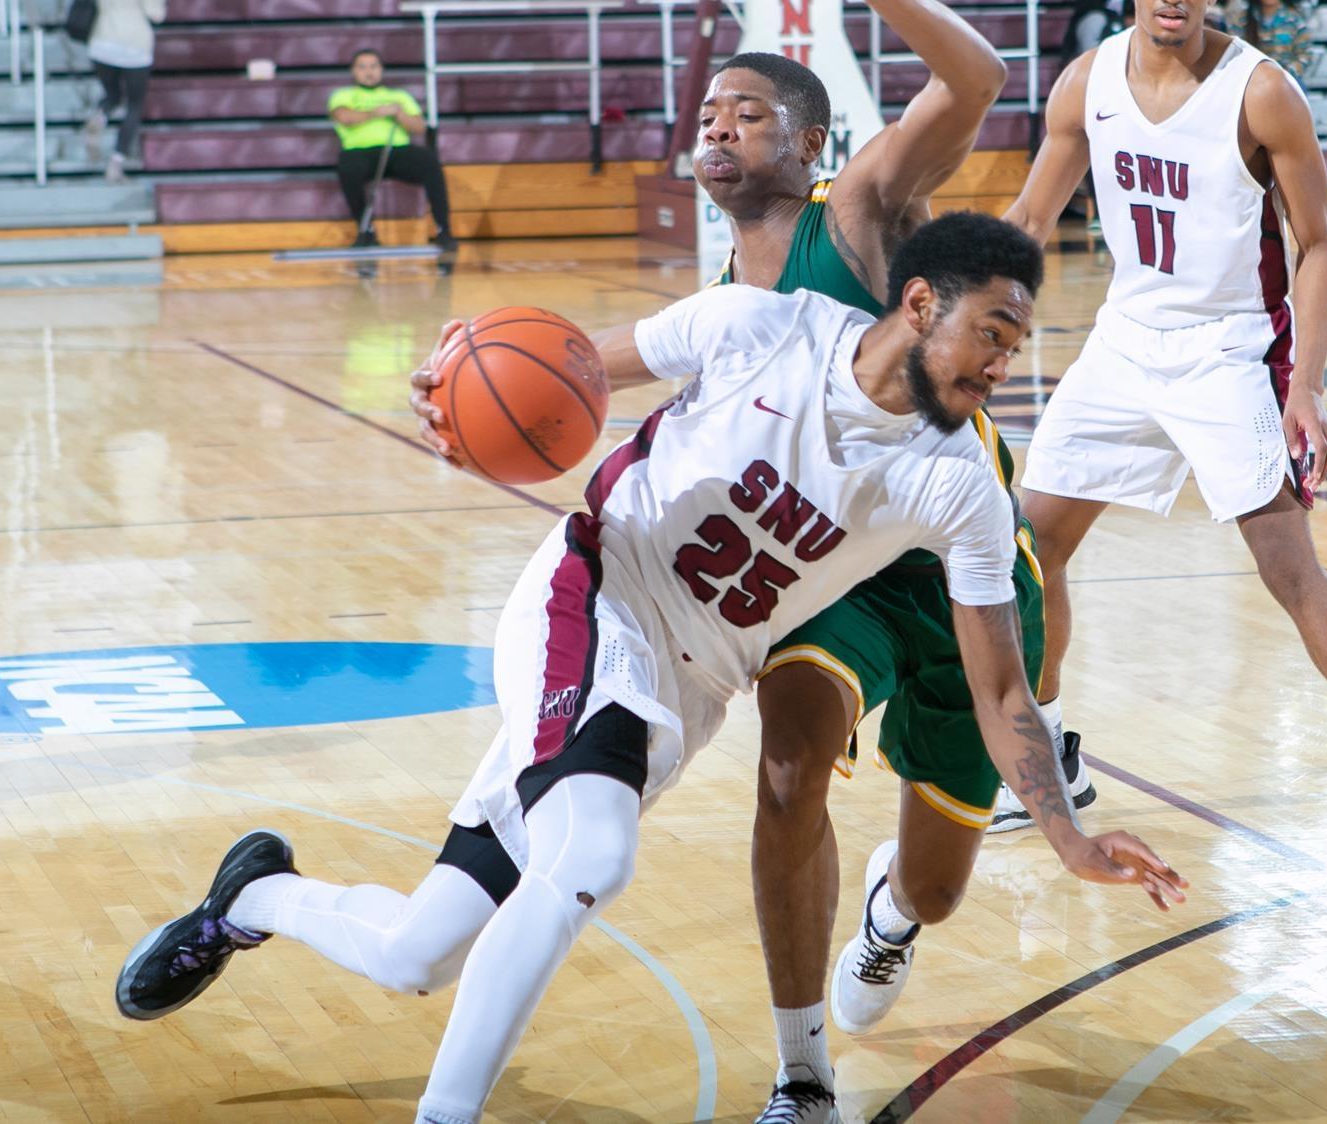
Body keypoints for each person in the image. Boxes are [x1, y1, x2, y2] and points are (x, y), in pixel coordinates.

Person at [115, 212, 1186, 1124]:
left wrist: (1067, 835)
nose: (1001, 366)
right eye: (990, 334)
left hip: (688, 689)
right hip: (597, 597)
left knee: (417, 952)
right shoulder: (758, 326)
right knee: (595, 851)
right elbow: (568, 365)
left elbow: (999, 686)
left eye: (1015, 346)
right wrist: (457, 381)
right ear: (918, 304)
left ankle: (253, 895)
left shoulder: (958, 484)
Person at [417, 15, 1095, 1120]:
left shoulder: (860, 210)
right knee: (787, 765)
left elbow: (976, 75)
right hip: (824, 573)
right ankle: (801, 1072)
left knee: (936, 885)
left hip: (947, 561)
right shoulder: (733, 292)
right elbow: (579, 371)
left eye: (748, 113)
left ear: (810, 142)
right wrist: (465, 390)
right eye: (708, 114)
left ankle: (891, 914)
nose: (719, 128)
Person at [996, 0, 1327, 882]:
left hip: (1231, 351)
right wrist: (964, 316)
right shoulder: (1086, 82)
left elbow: (1317, 246)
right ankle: (1052, 748)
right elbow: (1030, 216)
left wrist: (1307, 385)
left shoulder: (1261, 92)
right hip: (1124, 342)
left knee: (1292, 573)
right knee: (1032, 551)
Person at [329, 49, 455, 251]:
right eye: (362, 67)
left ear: (381, 69)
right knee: (348, 167)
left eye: (373, 66)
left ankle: (444, 230)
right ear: (353, 71)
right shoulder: (344, 95)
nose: (369, 72)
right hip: (359, 151)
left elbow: (419, 127)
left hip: (396, 150)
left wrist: (399, 114)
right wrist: (376, 112)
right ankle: (366, 231)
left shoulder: (398, 96)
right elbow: (343, 117)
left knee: (429, 162)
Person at [83, 0, 164, 183]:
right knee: (135, 105)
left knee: (113, 95)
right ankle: (116, 162)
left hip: (102, 41)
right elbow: (156, 15)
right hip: (135, 45)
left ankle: (100, 117)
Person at [1243, 0, 1313, 88]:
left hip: (1288, 79)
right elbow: (1238, 52)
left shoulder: (1295, 18)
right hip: (1254, 79)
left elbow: (1305, 54)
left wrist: (1285, 74)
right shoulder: (1244, 18)